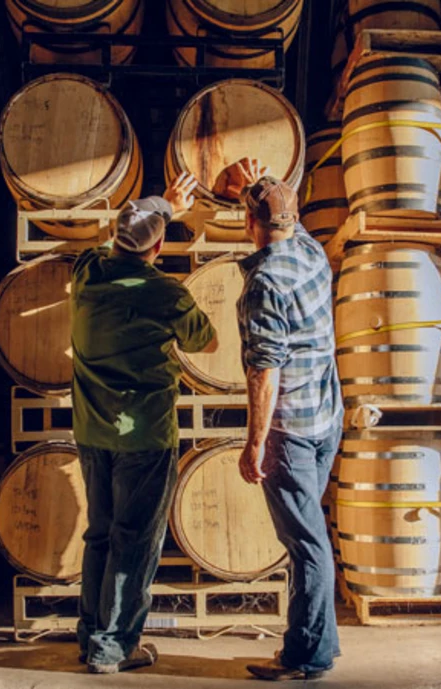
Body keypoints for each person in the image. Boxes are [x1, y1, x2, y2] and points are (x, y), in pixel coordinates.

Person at [70, 172, 218, 674]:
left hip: (91, 431)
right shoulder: (166, 294)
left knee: (100, 534)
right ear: (158, 246)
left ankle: (90, 636)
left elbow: (103, 243)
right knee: (133, 542)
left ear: (116, 237)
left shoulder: (87, 273)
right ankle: (114, 648)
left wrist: (161, 206)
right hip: (145, 436)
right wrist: (170, 210)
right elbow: (206, 342)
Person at [233, 164, 344, 681]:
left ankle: (308, 656)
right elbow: (279, 214)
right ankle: (306, 643)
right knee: (308, 540)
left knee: (307, 545)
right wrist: (258, 184)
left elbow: (264, 372)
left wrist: (255, 444)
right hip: (326, 418)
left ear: (250, 222)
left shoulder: (265, 283)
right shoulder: (310, 250)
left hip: (290, 433)